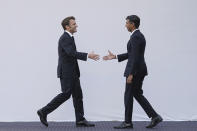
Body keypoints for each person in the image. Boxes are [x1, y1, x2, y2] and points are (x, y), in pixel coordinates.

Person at [37, 16, 99, 127]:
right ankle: (43, 111)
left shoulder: (70, 37)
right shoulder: (65, 38)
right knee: (66, 94)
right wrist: (87, 55)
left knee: (78, 95)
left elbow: (71, 54)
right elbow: (71, 53)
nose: (76, 25)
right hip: (66, 72)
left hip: (73, 72)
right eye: (74, 24)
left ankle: (80, 120)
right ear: (67, 26)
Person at [103, 15, 163, 129]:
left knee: (129, 95)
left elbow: (134, 56)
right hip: (139, 70)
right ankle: (155, 116)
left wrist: (130, 73)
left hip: (135, 71)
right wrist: (115, 56)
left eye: (127, 23)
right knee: (136, 94)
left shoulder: (136, 37)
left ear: (132, 24)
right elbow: (132, 54)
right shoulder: (137, 36)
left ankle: (128, 122)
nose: (125, 25)